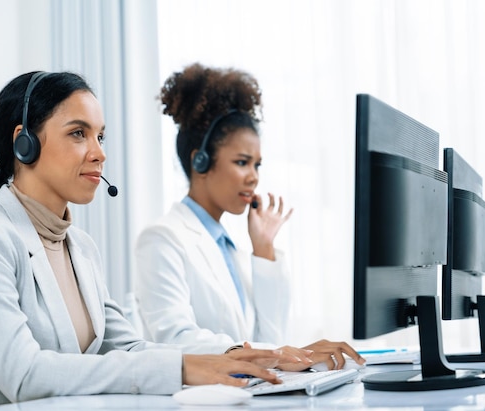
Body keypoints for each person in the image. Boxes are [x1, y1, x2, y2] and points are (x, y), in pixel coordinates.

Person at [0, 71, 310, 411]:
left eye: (101, 136)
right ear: (24, 142)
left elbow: (128, 348)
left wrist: (240, 356)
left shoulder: (81, 247)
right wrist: (181, 368)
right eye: (79, 134)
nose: (100, 153)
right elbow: (25, 375)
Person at [133, 63, 364, 370]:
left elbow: (271, 338)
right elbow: (175, 338)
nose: (253, 177)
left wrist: (264, 249)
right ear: (200, 162)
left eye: (257, 165)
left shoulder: (233, 252)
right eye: (242, 162)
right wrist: (280, 354)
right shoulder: (162, 238)